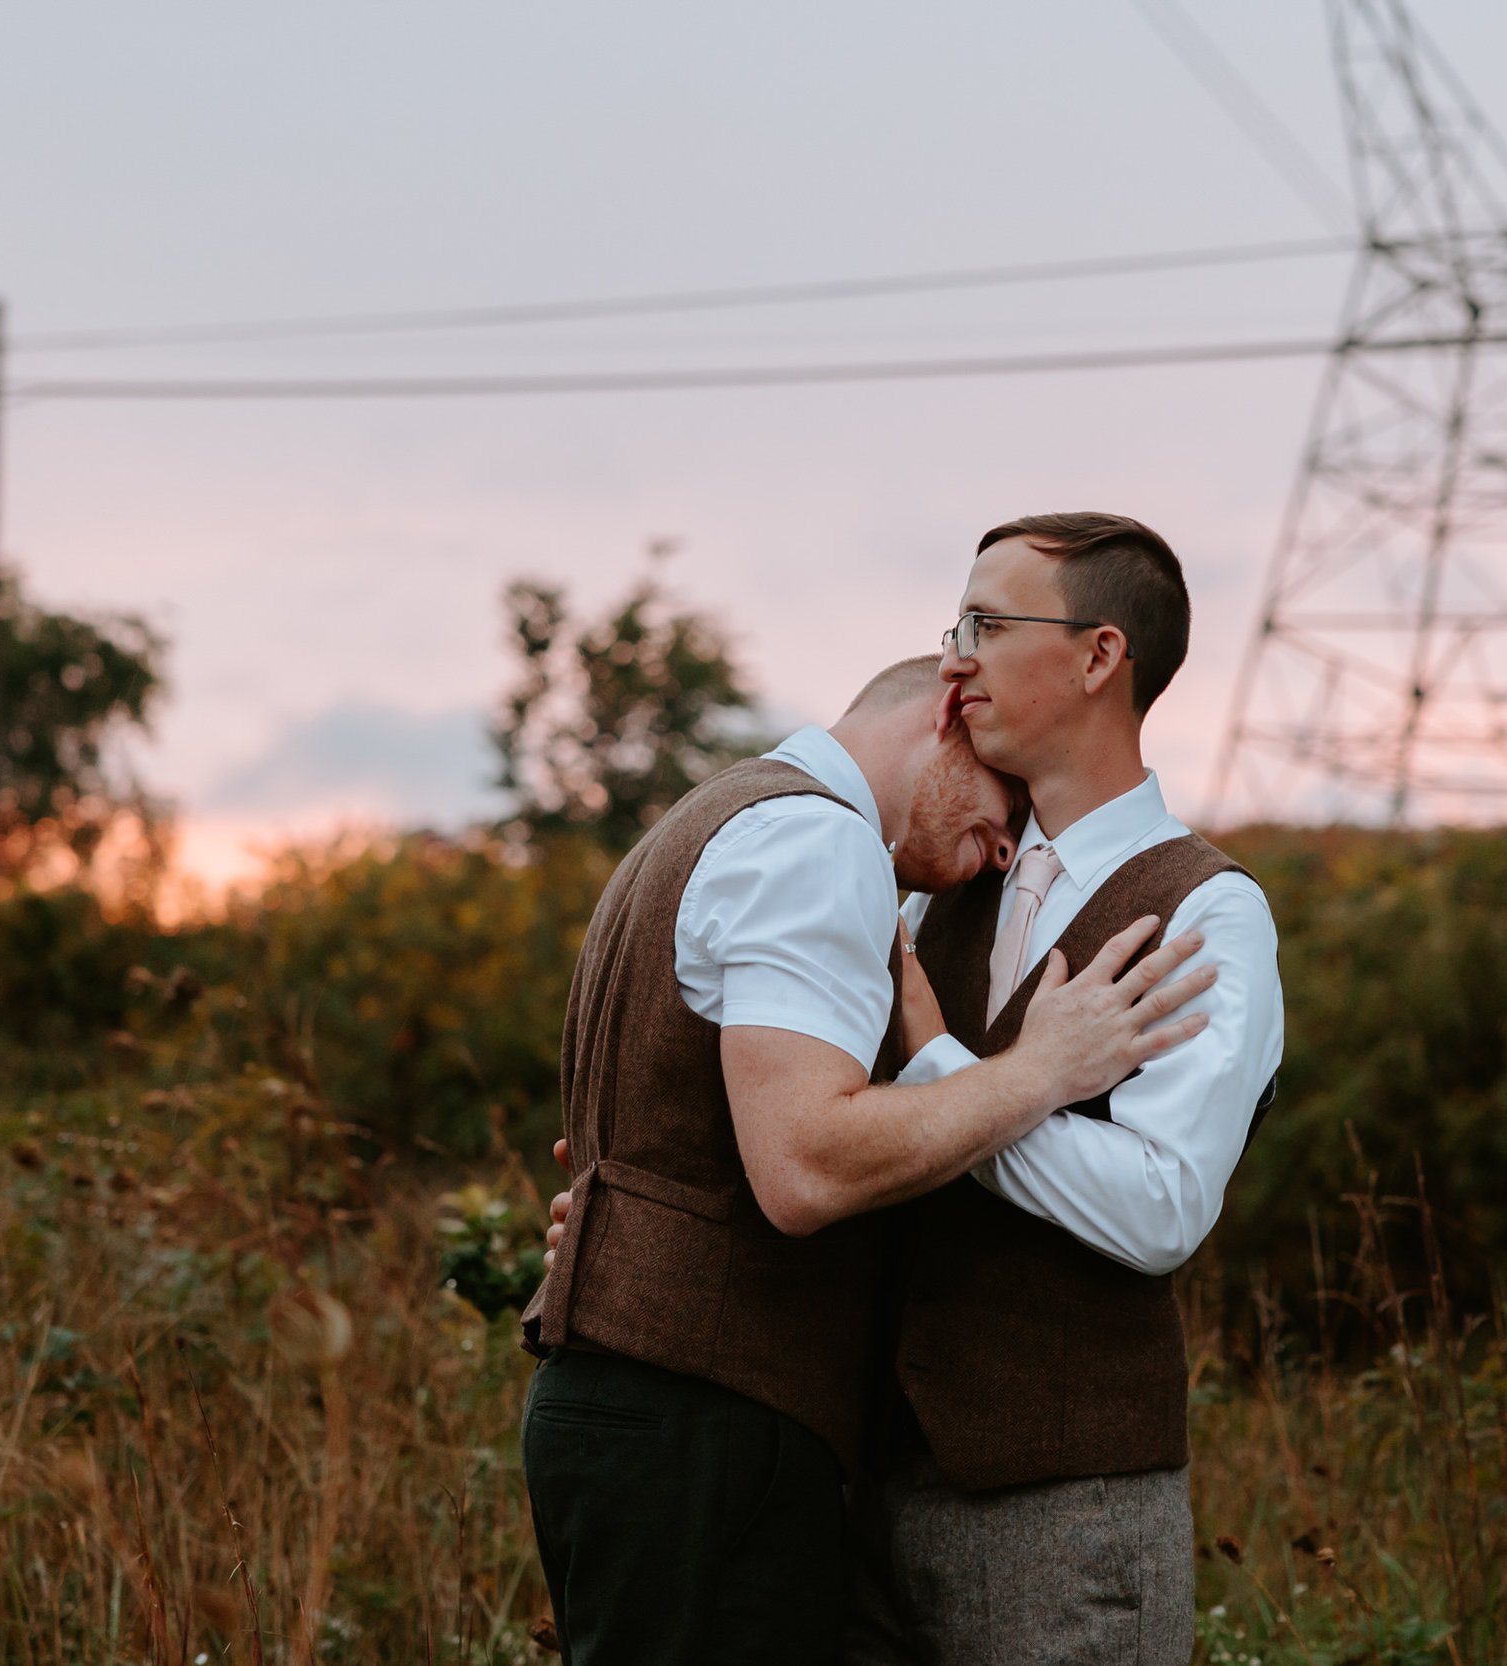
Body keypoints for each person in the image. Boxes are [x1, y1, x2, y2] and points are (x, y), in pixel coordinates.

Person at [518, 654, 1220, 1666]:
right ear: (947, 712)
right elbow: (803, 1165)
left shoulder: (709, 819)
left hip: (640, 1410)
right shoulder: (817, 841)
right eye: (1007, 800)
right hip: (707, 1426)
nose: (1004, 851)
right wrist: (1040, 1069)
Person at [849, 511, 1286, 1666]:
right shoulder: (937, 888)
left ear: (1099, 657)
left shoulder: (1204, 908)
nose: (955, 657)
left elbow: (1159, 1209)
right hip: (864, 1485)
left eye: (988, 625)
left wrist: (949, 1071)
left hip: (1066, 1507)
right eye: (957, 626)